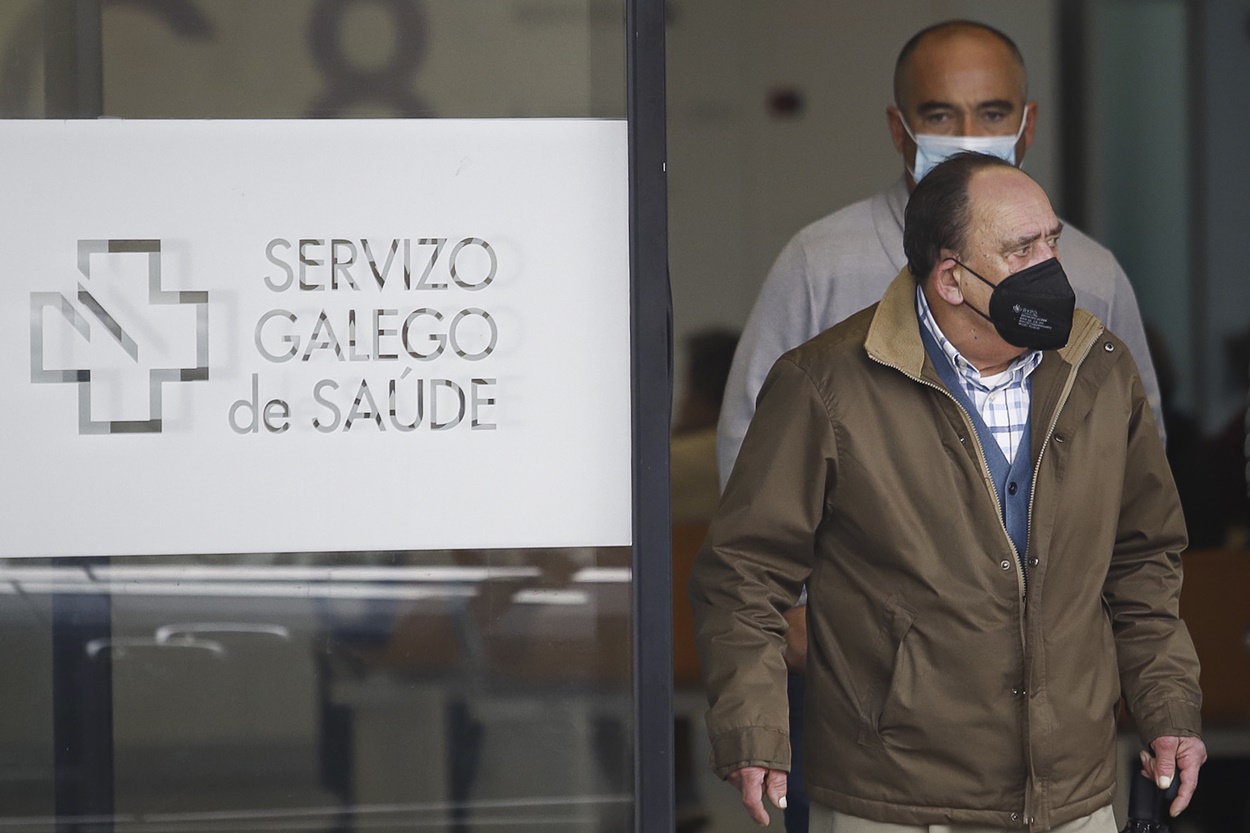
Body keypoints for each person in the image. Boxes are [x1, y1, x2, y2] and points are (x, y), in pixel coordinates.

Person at [714, 22, 1169, 831]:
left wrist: (1155, 693)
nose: (967, 135)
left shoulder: (1092, 282)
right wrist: (796, 624)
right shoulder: (821, 266)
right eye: (943, 114)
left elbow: (1136, 514)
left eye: (990, 113)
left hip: (1063, 756)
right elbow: (752, 489)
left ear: (1027, 124)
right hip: (888, 735)